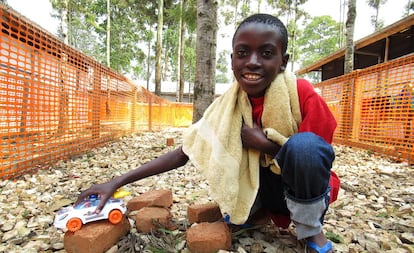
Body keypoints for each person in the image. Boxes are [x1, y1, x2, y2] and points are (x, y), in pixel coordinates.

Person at [76, 13, 340, 253]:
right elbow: (184, 152)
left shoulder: (301, 92)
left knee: (304, 147)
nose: (253, 62)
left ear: (283, 61)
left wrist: (267, 146)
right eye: (243, 53)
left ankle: (310, 231)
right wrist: (116, 182)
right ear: (233, 59)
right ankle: (253, 209)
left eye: (266, 53)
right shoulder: (227, 106)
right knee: (245, 188)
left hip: (304, 191)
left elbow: (314, 158)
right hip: (265, 191)